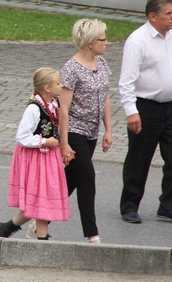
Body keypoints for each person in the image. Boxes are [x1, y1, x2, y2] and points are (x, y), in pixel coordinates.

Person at [118, 0, 172, 224]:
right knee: (139, 159)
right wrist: (131, 111)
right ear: (153, 16)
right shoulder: (137, 41)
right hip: (145, 108)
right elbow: (126, 81)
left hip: (170, 108)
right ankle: (129, 206)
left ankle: (169, 206)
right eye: (168, 13)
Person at [0, 67, 69, 240]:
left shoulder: (54, 103)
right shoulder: (34, 109)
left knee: (44, 199)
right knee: (42, 200)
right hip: (36, 158)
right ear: (47, 88)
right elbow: (22, 136)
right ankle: (41, 241)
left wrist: (63, 145)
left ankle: (6, 228)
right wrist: (44, 141)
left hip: (49, 157)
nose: (62, 85)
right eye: (58, 83)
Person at [59, 19, 113, 243]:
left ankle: (34, 221)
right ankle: (92, 235)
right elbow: (63, 109)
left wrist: (109, 129)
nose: (107, 42)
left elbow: (106, 95)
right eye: (103, 39)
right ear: (90, 43)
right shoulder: (71, 69)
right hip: (74, 132)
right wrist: (64, 143)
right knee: (87, 179)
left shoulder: (101, 62)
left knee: (68, 182)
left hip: (92, 132)